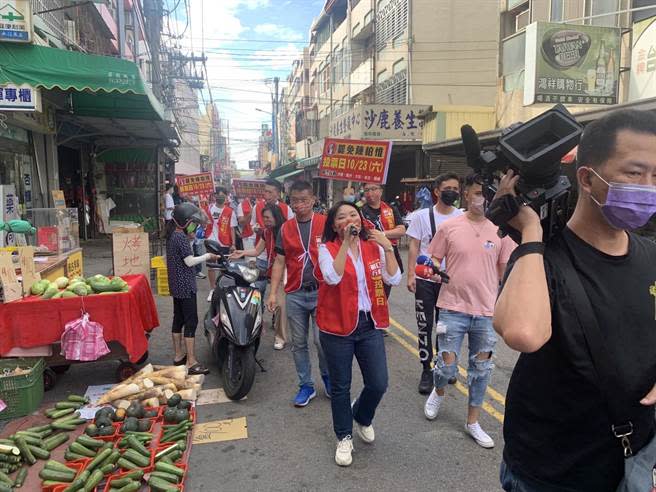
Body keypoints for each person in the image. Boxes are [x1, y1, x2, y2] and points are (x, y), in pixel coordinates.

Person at [493, 110, 656, 491]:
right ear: (587, 178)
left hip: (633, 464)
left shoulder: (652, 255)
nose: (648, 187)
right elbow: (524, 333)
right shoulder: (538, 258)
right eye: (635, 173)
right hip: (550, 474)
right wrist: (531, 231)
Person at [423, 174, 515, 448]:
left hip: (486, 312)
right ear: (465, 195)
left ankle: (472, 421)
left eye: (485, 194)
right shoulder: (450, 227)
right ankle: (438, 390)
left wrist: (503, 302)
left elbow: (503, 271)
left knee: (482, 369)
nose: (481, 200)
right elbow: (433, 258)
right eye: (476, 194)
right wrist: (434, 271)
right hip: (452, 308)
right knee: (447, 366)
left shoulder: (501, 231)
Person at [316, 201, 401, 467]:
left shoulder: (373, 246)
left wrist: (386, 245)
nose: (349, 220)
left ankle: (362, 416)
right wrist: (345, 243)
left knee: (378, 382)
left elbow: (394, 278)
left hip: (369, 324)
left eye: (353, 214)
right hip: (337, 327)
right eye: (342, 217)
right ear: (334, 225)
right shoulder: (325, 248)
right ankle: (344, 436)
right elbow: (332, 276)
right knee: (341, 386)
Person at [266, 181, 329, 406]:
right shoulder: (285, 228)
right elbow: (280, 260)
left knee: (322, 341)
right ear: (289, 202)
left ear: (313, 200)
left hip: (322, 292)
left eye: (304, 200)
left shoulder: (325, 223)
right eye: (295, 200)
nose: (299, 205)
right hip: (295, 293)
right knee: (299, 343)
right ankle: (306, 385)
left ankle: (328, 378)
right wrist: (273, 293)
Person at [406, 173, 463, 394]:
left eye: (456, 189)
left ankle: (444, 366)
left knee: (447, 327)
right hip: (425, 279)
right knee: (425, 325)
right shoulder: (421, 216)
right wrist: (411, 274)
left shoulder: (461, 217)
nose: (453, 192)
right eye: (448, 188)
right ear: (437, 191)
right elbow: (414, 246)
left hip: (450, 281)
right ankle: (426, 369)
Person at [165, 203, 216, 375]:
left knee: (178, 319)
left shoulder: (174, 234)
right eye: (193, 223)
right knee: (191, 321)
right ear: (185, 222)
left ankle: (179, 355)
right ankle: (191, 362)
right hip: (185, 285)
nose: (195, 226)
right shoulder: (181, 237)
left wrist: (192, 237)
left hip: (176, 285)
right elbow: (189, 261)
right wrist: (208, 256)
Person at [232, 203, 288, 350]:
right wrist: (242, 252)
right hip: (267, 269)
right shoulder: (266, 232)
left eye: (268, 217)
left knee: (280, 305)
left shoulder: (287, 230)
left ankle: (280, 337)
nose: (266, 220)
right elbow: (257, 251)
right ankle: (255, 324)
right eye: (264, 218)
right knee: (254, 291)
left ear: (276, 217)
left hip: (284, 272)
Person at [359, 183, 406, 297]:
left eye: (373, 189)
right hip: (370, 257)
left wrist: (382, 235)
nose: (370, 193)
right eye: (366, 190)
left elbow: (401, 230)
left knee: (384, 294)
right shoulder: (359, 211)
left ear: (380, 191)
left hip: (389, 254)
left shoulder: (390, 209)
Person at [251, 179, 294, 285]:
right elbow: (252, 224)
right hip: (262, 254)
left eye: (270, 192)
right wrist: (255, 229)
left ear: (278, 194)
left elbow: (292, 230)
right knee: (258, 287)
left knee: (277, 287)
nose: (267, 195)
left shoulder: (286, 209)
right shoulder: (257, 207)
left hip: (279, 256)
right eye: (265, 191)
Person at [206, 187, 238, 302]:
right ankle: (212, 289)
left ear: (226, 196)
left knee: (223, 267)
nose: (220, 197)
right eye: (217, 195)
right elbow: (203, 222)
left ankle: (221, 287)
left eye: (222, 195)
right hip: (211, 241)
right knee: (211, 266)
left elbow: (232, 228)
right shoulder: (208, 208)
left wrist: (233, 243)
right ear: (214, 196)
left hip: (224, 242)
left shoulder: (229, 211)